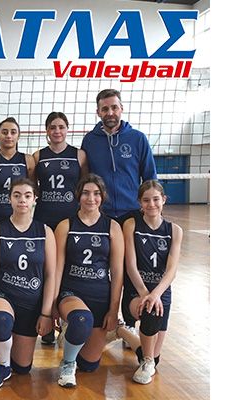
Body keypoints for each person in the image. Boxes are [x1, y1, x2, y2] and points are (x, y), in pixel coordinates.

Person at [81, 89, 156, 332]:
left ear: (121, 109)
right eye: (105, 109)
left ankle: (130, 324)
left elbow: (150, 178)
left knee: (130, 269)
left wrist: (150, 211)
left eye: (114, 107)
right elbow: (86, 180)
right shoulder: (90, 141)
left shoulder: (137, 139)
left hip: (131, 214)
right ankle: (102, 318)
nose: (110, 112)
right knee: (101, 269)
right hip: (101, 216)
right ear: (98, 112)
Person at [0, 178, 57, 389]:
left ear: (35, 199)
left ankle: (2, 342)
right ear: (9, 199)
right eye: (17, 195)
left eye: (27, 195)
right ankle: (3, 365)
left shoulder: (45, 232)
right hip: (4, 295)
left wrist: (46, 313)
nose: (22, 200)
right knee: (0, 320)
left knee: (22, 368)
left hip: (31, 303)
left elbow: (51, 274)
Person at [54, 174, 124, 388]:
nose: (91, 198)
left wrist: (113, 310)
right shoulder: (65, 225)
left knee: (89, 365)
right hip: (71, 292)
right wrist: (52, 305)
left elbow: (117, 272)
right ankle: (67, 363)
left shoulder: (112, 227)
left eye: (96, 194)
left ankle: (73, 337)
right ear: (78, 196)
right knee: (81, 319)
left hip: (100, 296)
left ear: (102, 197)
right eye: (85, 193)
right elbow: (56, 269)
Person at [115, 180, 183, 384]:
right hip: (137, 291)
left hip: (161, 293)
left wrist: (155, 294)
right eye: (146, 200)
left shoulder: (175, 231)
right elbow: (130, 266)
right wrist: (145, 293)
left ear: (164, 200)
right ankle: (146, 361)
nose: (151, 204)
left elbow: (171, 271)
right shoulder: (131, 225)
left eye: (156, 199)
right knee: (151, 313)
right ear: (140, 203)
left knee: (155, 357)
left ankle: (121, 331)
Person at [33, 111, 88, 345]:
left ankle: (67, 321)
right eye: (53, 127)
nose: (57, 131)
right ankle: (45, 323)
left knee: (67, 270)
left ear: (67, 129)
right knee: (45, 270)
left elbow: (85, 186)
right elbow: (32, 187)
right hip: (44, 219)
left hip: (70, 220)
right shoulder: (38, 156)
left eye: (61, 127)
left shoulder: (79, 155)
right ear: (47, 130)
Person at [0, 117, 35, 231]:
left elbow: (33, 190)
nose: (8, 136)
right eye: (4, 132)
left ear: (18, 136)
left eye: (13, 132)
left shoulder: (28, 160)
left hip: (20, 219)